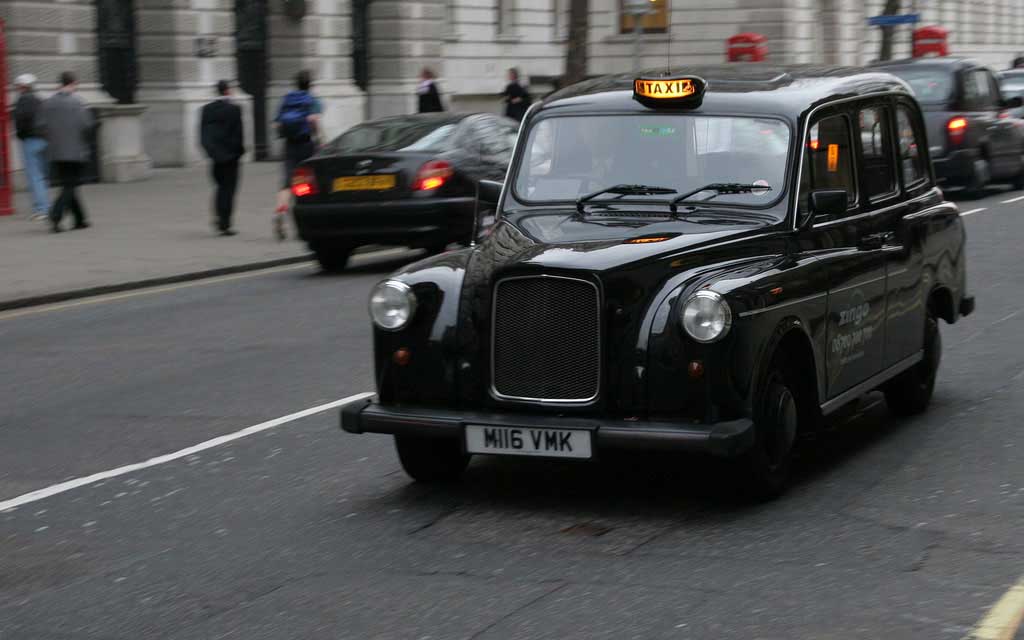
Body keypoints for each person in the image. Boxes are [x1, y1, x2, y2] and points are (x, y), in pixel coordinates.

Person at [43, 71, 95, 233]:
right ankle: (55, 214)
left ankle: (80, 219)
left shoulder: (48, 103)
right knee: (70, 185)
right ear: (73, 84)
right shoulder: (78, 103)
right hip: (75, 151)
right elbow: (87, 125)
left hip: (56, 151)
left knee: (69, 184)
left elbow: (39, 126)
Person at [274, 70, 322, 240]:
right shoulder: (312, 100)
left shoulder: (287, 99)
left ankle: (280, 210)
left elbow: (278, 124)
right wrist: (320, 140)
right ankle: (304, 224)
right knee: (304, 183)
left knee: (287, 183)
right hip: (307, 144)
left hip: (289, 145)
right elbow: (314, 120)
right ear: (310, 84)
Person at [200, 80, 245, 236]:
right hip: (231, 157)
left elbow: (203, 135)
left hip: (215, 158)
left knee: (219, 188)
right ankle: (225, 224)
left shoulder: (206, 110)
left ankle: (218, 217)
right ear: (227, 91)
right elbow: (238, 134)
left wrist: (211, 153)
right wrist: (239, 152)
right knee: (228, 190)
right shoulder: (234, 109)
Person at [13, 74, 50, 221]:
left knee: (34, 176)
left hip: (30, 141)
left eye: (18, 86)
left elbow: (20, 122)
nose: (17, 89)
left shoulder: (22, 101)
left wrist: (20, 135)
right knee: (42, 176)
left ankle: (41, 209)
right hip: (44, 140)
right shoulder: (39, 100)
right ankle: (45, 206)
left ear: (23, 87)